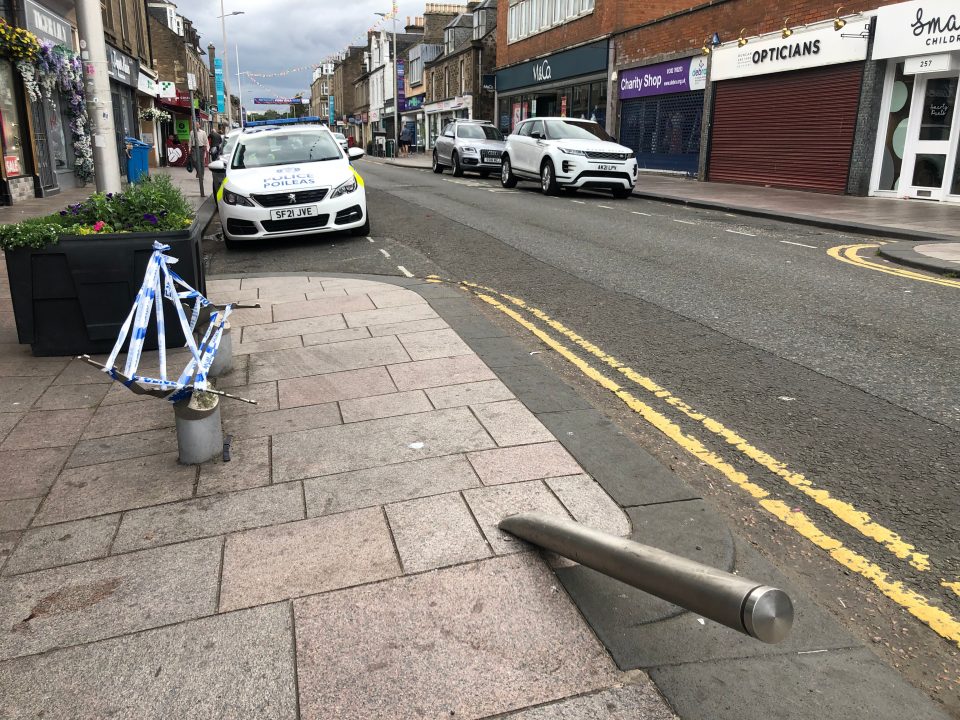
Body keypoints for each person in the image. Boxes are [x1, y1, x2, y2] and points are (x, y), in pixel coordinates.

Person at [188, 119, 209, 197]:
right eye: (194, 125)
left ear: (199, 125)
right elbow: (190, 141)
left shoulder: (203, 132)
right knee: (194, 160)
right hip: (194, 148)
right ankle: (198, 172)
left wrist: (206, 148)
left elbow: (206, 140)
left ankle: (201, 175)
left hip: (201, 148)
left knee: (201, 162)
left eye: (197, 124)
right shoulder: (191, 132)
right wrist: (189, 148)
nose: (196, 126)